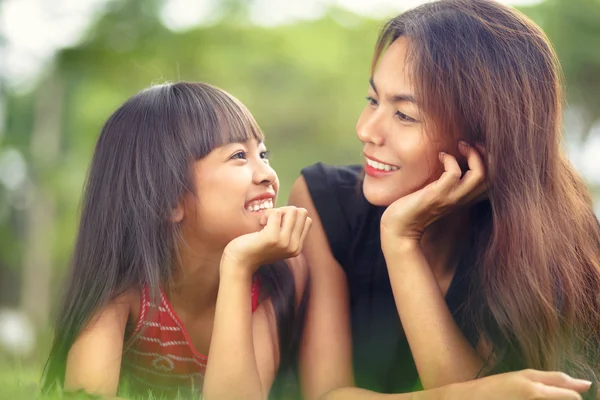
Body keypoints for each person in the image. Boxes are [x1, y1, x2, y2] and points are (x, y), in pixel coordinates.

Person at [289, 1, 600, 399]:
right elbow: (326, 395)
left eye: (404, 115)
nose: (365, 129)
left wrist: (401, 242)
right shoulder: (324, 203)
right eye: (372, 101)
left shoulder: (551, 241)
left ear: (483, 136)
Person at [42, 82, 311, 399]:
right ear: (169, 201)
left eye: (263, 154)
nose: (267, 173)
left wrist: (238, 265)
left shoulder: (279, 274)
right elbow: (85, 395)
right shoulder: (124, 289)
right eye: (239, 155)